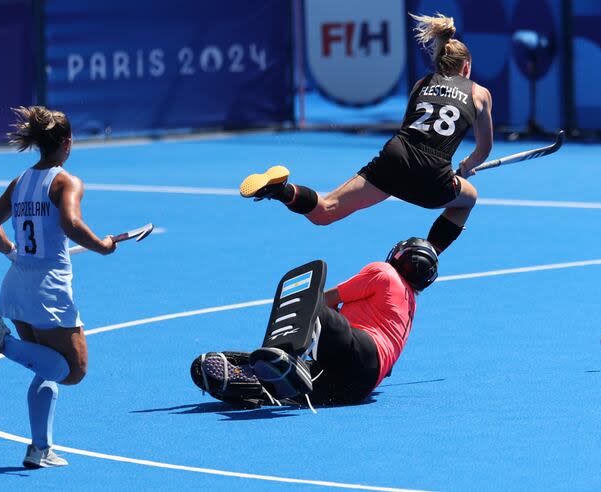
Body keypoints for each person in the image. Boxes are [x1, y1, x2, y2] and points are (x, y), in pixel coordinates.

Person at [239, 13, 493, 255]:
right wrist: (467, 165)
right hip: (433, 168)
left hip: (397, 153)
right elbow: (484, 149)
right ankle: (420, 261)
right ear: (467, 67)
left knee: (326, 210)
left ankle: (280, 191)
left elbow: (411, 129)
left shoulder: (421, 84)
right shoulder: (479, 94)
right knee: (468, 198)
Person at [0, 106, 116, 468]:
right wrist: (104, 247)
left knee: (45, 366)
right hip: (48, 290)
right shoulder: (67, 182)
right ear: (66, 143)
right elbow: (72, 224)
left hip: (17, 284)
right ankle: (3, 343)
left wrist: (14, 253)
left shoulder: (20, 182)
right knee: (73, 369)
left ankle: (38, 449)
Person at [191, 238, 438, 408]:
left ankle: (288, 357)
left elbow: (325, 299)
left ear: (397, 256)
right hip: (359, 386)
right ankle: (269, 382)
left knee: (310, 301)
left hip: (360, 348)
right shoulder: (409, 307)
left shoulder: (384, 273)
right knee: (295, 392)